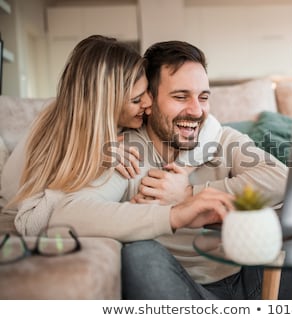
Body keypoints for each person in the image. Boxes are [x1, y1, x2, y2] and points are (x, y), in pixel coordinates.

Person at [39, 40, 292, 299]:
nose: (196, 110)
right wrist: (177, 214)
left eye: (204, 96)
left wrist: (193, 196)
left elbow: (284, 178)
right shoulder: (126, 153)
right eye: (180, 97)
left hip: (254, 281)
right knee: (139, 254)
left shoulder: (221, 137)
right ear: (148, 100)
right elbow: (68, 214)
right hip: (184, 292)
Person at [4, 35, 232, 238]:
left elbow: (211, 125)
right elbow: (29, 224)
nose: (148, 103)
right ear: (105, 104)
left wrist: (180, 172)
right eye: (136, 100)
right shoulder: (55, 131)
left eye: (146, 94)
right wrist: (93, 158)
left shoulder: (120, 128)